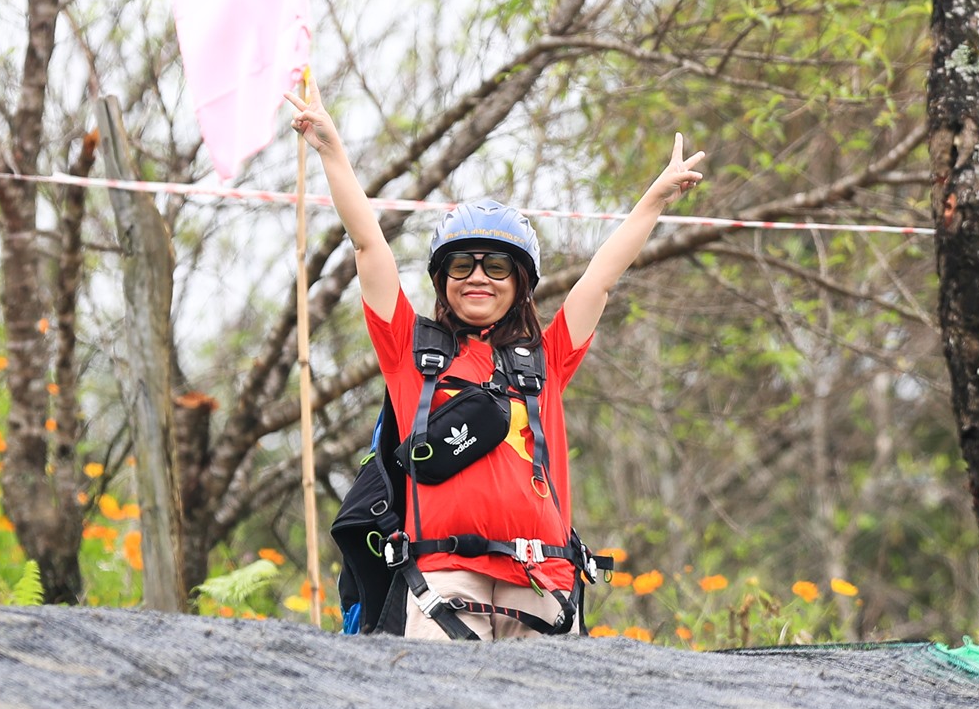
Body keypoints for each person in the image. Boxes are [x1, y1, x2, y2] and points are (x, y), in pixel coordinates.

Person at [292, 82, 706, 641]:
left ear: (521, 284)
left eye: (496, 266)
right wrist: (331, 153)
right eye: (462, 265)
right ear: (443, 280)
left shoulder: (547, 359)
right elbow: (369, 247)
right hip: (442, 578)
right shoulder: (411, 353)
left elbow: (600, 280)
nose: (479, 277)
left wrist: (652, 201)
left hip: (542, 578)